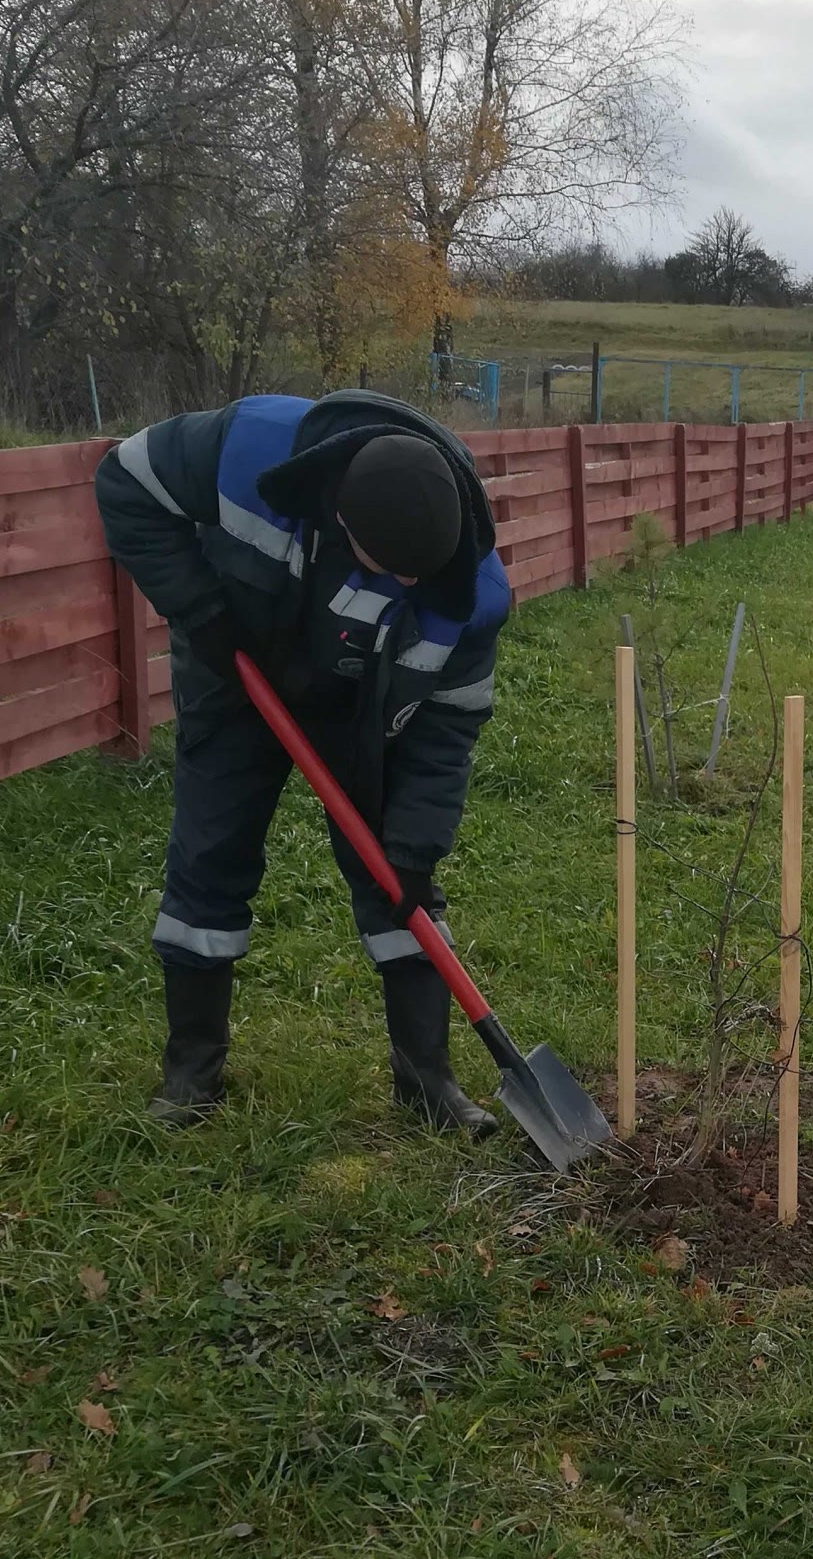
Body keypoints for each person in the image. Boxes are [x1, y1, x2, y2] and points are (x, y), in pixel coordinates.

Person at [95, 389, 509, 1135]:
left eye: (422, 574)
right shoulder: (248, 448)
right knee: (210, 852)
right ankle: (191, 1074)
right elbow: (123, 479)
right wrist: (202, 612)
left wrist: (414, 847)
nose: (410, 586)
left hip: (364, 711)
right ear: (339, 517)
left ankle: (427, 1081)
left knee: (396, 878)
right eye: (392, 570)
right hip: (236, 669)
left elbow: (446, 730)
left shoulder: (471, 594)